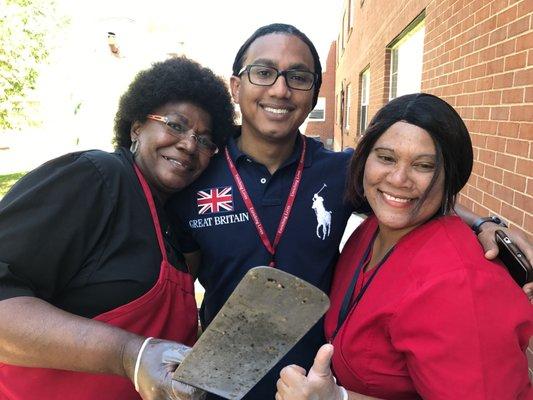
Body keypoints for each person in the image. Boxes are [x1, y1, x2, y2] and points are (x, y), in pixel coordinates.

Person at [169, 24, 533, 399]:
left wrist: (484, 224)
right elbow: (179, 289)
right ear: (235, 86)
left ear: (313, 93)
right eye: (263, 72)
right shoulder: (194, 173)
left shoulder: (341, 171)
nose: (280, 89)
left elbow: (407, 196)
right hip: (224, 381)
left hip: (314, 378)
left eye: (298, 77)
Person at [0, 57, 235, 400]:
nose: (188, 144)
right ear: (136, 127)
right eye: (175, 125)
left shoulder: (169, 221)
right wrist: (130, 354)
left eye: (204, 140)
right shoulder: (96, 177)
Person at [275, 93, 533, 400]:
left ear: (450, 177)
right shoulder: (373, 229)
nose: (398, 179)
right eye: (386, 158)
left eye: (423, 166)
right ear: (363, 160)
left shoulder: (460, 284)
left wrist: (337, 399)